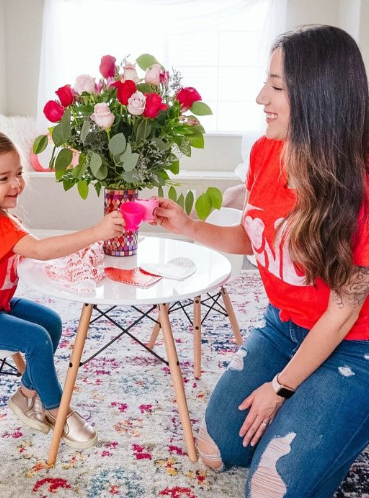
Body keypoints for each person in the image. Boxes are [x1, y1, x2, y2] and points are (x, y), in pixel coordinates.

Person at [154, 25, 369, 497]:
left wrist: (281, 389)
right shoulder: (264, 150)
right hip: (283, 326)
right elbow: (255, 240)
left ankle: (345, 418)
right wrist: (189, 227)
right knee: (218, 445)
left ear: (319, 95)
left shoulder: (361, 181)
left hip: (355, 344)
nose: (259, 98)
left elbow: (343, 311)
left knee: (271, 489)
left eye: (276, 87)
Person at [0, 128, 125, 450]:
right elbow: (40, 250)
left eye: (19, 173)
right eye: (4, 178)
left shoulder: (0, 216)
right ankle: (57, 410)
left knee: (51, 322)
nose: (16, 184)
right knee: (36, 339)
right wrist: (97, 232)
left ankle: (26, 396)